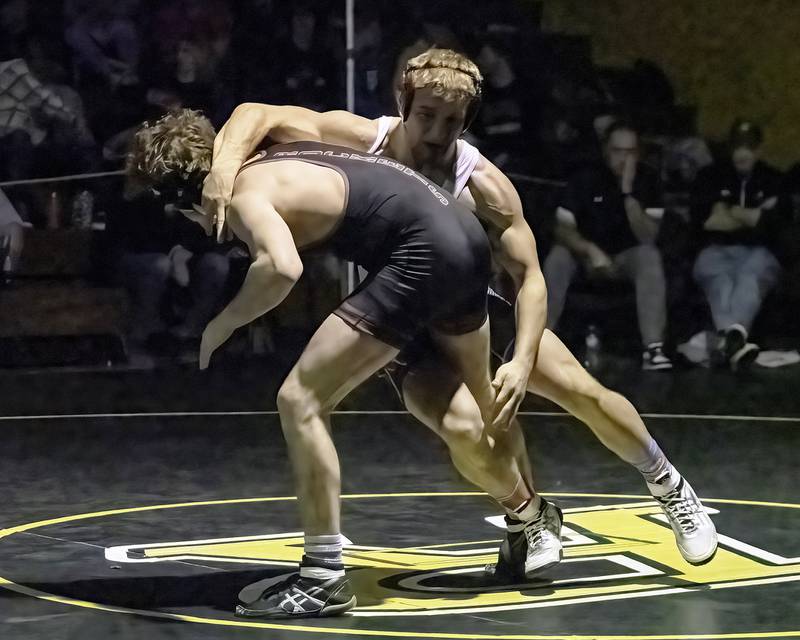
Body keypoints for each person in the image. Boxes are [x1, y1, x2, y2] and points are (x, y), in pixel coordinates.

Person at [200, 49, 718, 576]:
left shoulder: (481, 180)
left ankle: (667, 482)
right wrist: (222, 170)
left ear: (466, 124)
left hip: (472, 306)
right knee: (465, 431)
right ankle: (531, 517)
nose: (436, 132)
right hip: (399, 316)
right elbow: (254, 113)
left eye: (451, 122)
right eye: (426, 115)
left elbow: (531, 277)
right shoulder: (360, 137)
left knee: (579, 393)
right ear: (404, 104)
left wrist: (521, 360)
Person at [129, 109, 544, 618]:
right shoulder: (280, 149)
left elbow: (281, 267)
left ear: (183, 201)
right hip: (461, 240)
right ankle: (530, 513)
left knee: (299, 400)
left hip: (421, 255)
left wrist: (223, 323)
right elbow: (253, 113)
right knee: (455, 415)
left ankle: (323, 576)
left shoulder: (243, 194)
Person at [544, 120, 673, 370]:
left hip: (627, 257)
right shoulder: (585, 177)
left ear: (639, 153)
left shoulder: (648, 180)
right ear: (606, 150)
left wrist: (627, 194)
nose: (623, 158)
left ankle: (653, 349)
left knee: (650, 256)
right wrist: (589, 250)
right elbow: (562, 228)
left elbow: (648, 236)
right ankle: (538, 340)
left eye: (630, 152)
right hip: (586, 256)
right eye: (617, 150)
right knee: (558, 256)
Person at [690, 119, 786, 369]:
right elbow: (709, 222)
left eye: (749, 147)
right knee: (719, 280)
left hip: (759, 252)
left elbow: (775, 226)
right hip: (714, 250)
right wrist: (752, 215)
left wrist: (728, 212)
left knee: (749, 277)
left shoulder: (774, 179)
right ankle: (735, 342)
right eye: (738, 147)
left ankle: (727, 341)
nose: (742, 153)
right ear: (730, 148)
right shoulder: (709, 176)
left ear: (759, 150)